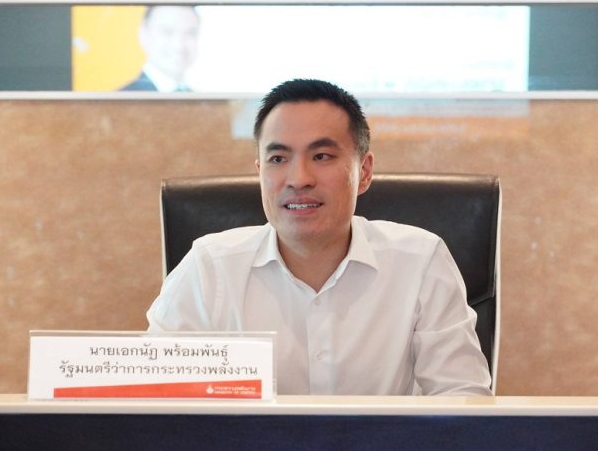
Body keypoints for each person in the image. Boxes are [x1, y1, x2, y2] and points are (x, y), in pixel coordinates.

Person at [146, 79, 492, 396]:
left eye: (321, 156)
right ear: (260, 173)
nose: (299, 178)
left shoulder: (420, 262)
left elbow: (464, 399)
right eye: (278, 158)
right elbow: (153, 399)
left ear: (364, 171)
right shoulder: (209, 268)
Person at [121, 6, 199, 92]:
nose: (179, 46)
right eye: (167, 32)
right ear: (143, 35)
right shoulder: (122, 99)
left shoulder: (199, 96)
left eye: (190, 33)